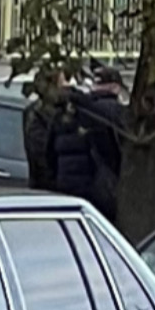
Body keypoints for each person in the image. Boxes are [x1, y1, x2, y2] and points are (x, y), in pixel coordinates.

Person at [44, 66, 125, 221]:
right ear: (116, 87)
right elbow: (114, 154)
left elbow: (48, 154)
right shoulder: (114, 112)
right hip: (96, 189)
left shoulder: (69, 112)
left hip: (65, 187)